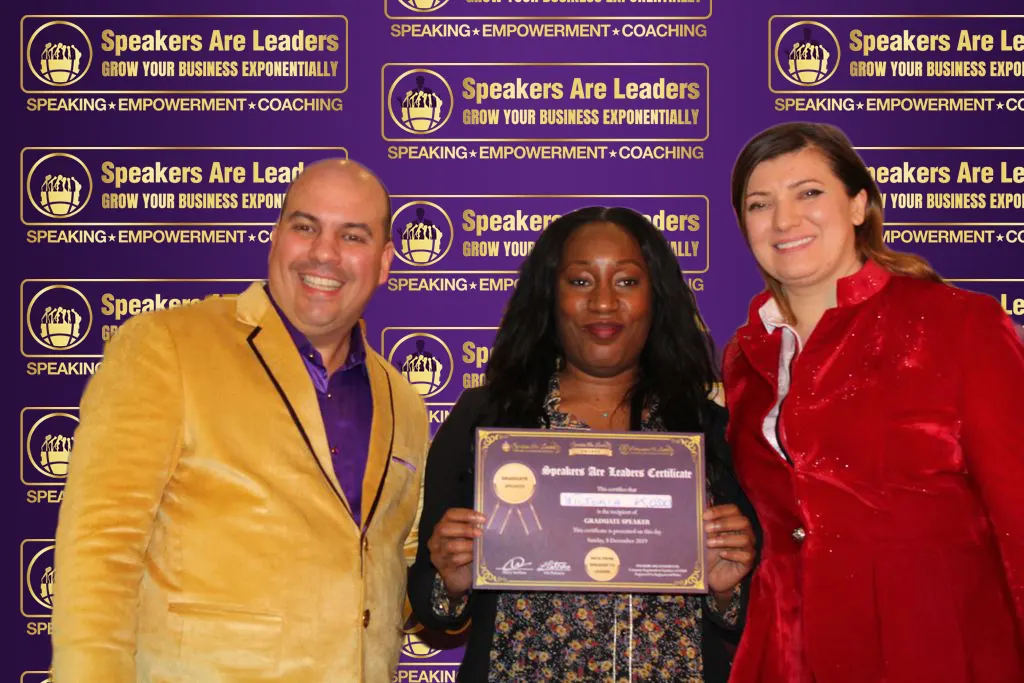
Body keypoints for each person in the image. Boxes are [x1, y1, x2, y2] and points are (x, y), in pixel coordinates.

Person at [51, 160, 430, 682]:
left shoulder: (404, 402)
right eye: (305, 226)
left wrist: (448, 581)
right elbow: (100, 552)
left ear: (384, 261)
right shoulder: (168, 346)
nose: (324, 252)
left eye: (352, 236)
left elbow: (386, 575)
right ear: (275, 238)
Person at [723, 122, 1024, 683]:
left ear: (859, 205)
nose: (784, 220)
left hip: (932, 652)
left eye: (809, 193)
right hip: (785, 656)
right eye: (760, 204)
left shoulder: (960, 324)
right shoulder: (744, 356)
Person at [408, 207, 759, 682]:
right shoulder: (487, 420)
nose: (604, 303)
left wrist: (726, 588)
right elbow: (433, 606)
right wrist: (451, 579)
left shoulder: (708, 430)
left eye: (627, 281)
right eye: (580, 281)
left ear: (657, 297)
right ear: (550, 297)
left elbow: (750, 617)